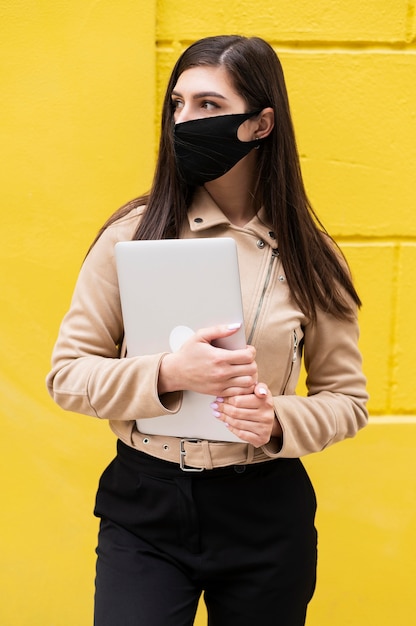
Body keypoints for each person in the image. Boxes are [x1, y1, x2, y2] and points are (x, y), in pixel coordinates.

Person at [46, 35, 368, 626]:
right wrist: (166, 374)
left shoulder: (311, 257)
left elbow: (347, 401)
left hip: (265, 512)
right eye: (177, 105)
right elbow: (66, 376)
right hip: (144, 503)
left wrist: (277, 422)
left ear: (261, 123)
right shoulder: (132, 234)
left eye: (208, 106)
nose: (184, 120)